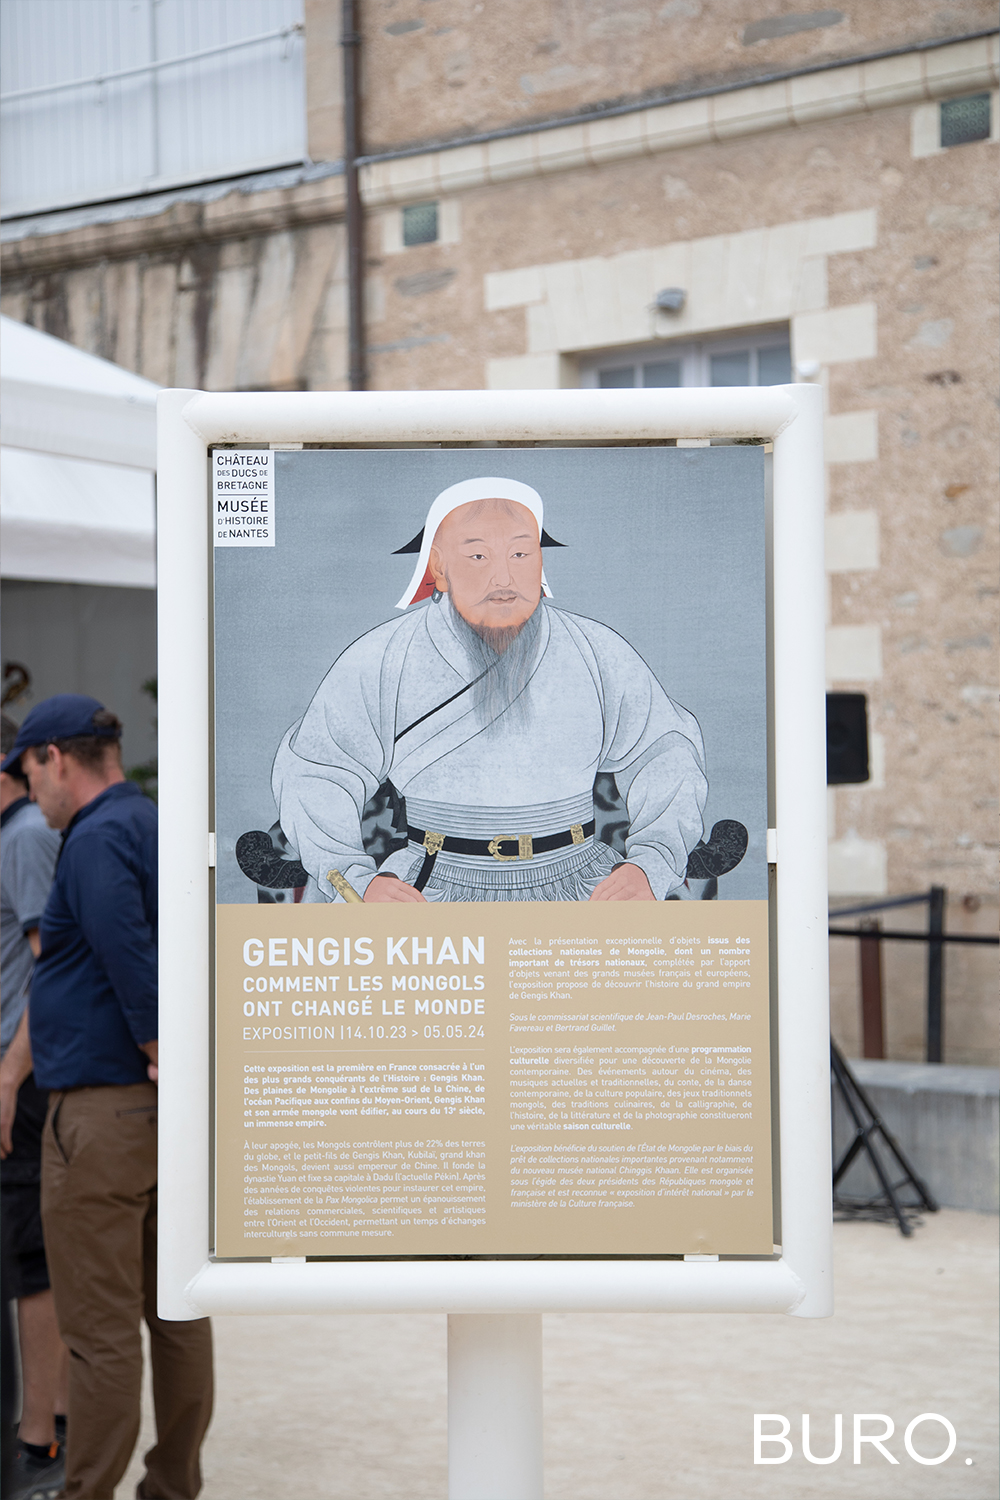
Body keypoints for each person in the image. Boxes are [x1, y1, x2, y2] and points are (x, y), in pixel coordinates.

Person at [273, 476, 708, 904]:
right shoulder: (383, 658)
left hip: (581, 882)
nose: (504, 576)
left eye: (520, 553)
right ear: (439, 567)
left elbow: (665, 751)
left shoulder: (595, 650)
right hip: (427, 888)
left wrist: (651, 862)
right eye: (479, 555)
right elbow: (316, 769)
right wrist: (356, 880)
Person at [1, 695, 213, 1500]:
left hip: (100, 1113)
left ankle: (87, 1488)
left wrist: (157, 1050)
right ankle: (172, 1484)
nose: (31, 790)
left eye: (28, 770)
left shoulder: (91, 839)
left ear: (55, 756)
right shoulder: (149, 821)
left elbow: (126, 954)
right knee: (177, 1315)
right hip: (159, 1114)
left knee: (99, 1332)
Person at [0, 713, 67, 1500]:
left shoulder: (20, 838)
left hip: (21, 1079)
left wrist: (13, 1071)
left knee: (33, 1264)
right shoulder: (21, 832)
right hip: (22, 1072)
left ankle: (39, 1440)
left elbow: (49, 965)